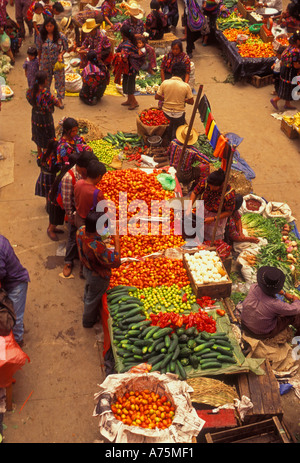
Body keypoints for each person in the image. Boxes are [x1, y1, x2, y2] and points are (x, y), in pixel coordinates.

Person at [76, 211, 121, 328]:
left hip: (86, 267)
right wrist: (116, 240)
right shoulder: (97, 247)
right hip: (97, 276)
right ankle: (88, 321)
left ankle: (86, 300)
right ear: (97, 229)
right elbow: (116, 261)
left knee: (89, 289)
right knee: (93, 298)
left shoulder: (81, 230)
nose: (105, 228)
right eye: (103, 226)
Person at [61, 150, 98, 277]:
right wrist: (71, 216)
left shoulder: (84, 174)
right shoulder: (69, 177)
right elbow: (66, 200)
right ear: (81, 167)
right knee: (72, 236)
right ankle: (68, 261)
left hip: (86, 212)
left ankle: (83, 264)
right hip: (76, 213)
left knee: (85, 239)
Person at [241, 266, 300, 339]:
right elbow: (296, 309)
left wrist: (284, 293)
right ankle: (297, 338)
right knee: (296, 315)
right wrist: (296, 300)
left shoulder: (254, 287)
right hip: (260, 333)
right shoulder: (275, 304)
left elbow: (266, 290)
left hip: (244, 324)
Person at [186, 167, 236, 241]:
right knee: (198, 231)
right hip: (203, 209)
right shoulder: (205, 183)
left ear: (221, 184)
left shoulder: (229, 194)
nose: (211, 188)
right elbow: (195, 192)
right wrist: (189, 207)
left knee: (212, 237)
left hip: (217, 217)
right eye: (210, 185)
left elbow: (229, 212)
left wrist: (213, 219)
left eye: (214, 186)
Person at [0, 234, 30, 346]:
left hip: (16, 284)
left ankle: (18, 341)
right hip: (9, 281)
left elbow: (1, 273)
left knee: (16, 318)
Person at [26, 70, 63, 159]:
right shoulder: (45, 94)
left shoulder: (30, 91)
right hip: (45, 118)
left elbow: (29, 99)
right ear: (44, 81)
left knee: (38, 134)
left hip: (35, 115)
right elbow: (57, 103)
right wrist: (59, 104)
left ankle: (39, 153)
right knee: (47, 136)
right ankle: (46, 156)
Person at [155, 61, 194, 142]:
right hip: (179, 115)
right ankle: (175, 141)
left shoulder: (165, 83)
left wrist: (166, 99)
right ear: (183, 75)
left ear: (172, 72)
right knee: (177, 129)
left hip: (166, 113)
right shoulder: (186, 86)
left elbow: (157, 97)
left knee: (170, 126)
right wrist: (183, 100)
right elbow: (191, 102)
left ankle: (168, 138)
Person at [36, 17, 68, 107]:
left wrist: (61, 54)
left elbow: (66, 48)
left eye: (51, 26)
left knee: (60, 80)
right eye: (47, 26)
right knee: (46, 81)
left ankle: (60, 100)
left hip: (58, 62)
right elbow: (39, 49)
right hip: (45, 62)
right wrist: (39, 61)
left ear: (54, 26)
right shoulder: (41, 36)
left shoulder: (61, 36)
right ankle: (47, 99)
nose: (49, 28)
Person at [114, 23, 144, 109]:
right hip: (129, 68)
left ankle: (134, 102)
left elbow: (124, 57)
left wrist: (120, 55)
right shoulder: (127, 41)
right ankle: (129, 100)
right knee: (126, 83)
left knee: (130, 85)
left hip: (131, 68)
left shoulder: (127, 45)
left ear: (122, 34)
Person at [270, 31, 300, 111]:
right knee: (288, 88)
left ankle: (287, 104)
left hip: (284, 69)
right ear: (298, 41)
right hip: (289, 71)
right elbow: (296, 65)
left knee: (287, 86)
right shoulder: (296, 51)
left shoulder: (289, 47)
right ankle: (275, 100)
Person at [74, 159, 107, 229]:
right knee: (88, 238)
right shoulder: (97, 193)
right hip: (89, 222)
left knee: (80, 235)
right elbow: (104, 210)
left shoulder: (78, 183)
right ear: (99, 177)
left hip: (78, 217)